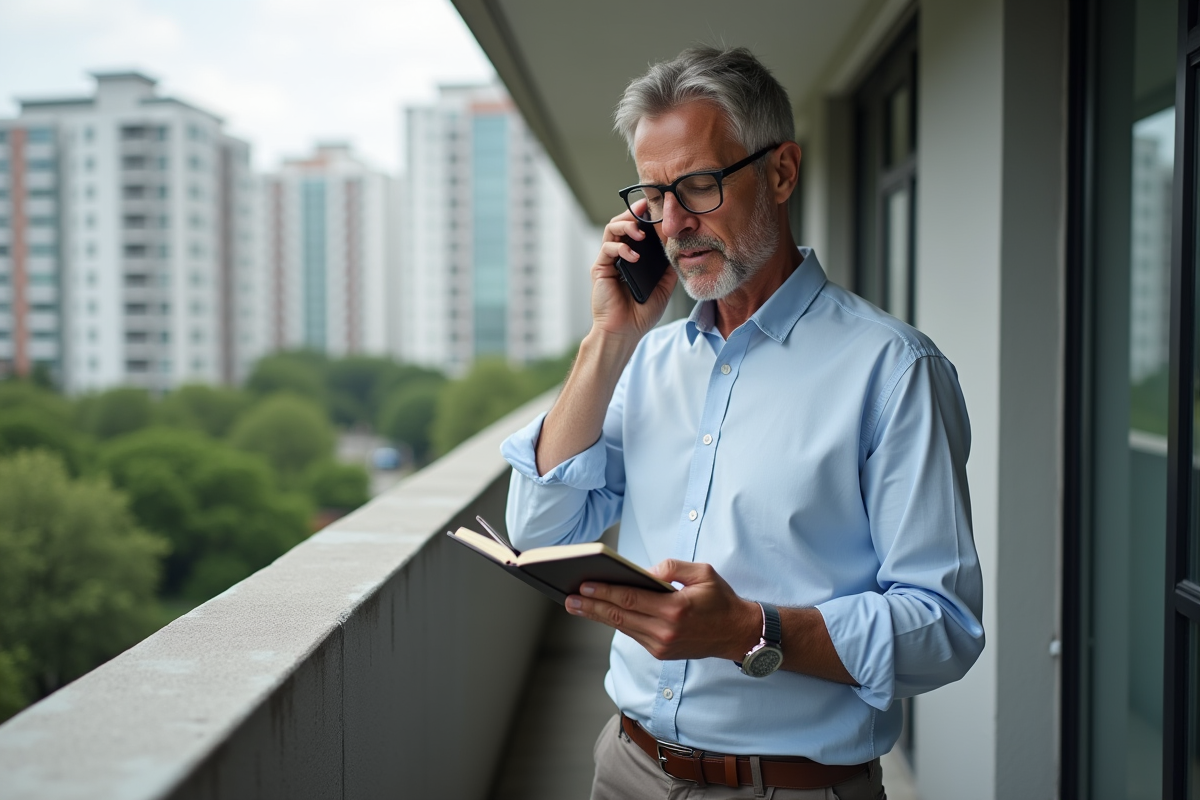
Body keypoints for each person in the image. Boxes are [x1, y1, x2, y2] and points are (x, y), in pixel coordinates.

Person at [500, 46, 984, 800]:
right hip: (623, 768)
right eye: (654, 197)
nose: (674, 224)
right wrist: (610, 339)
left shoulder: (893, 372)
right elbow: (539, 534)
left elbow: (943, 628)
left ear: (781, 172)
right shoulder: (648, 364)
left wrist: (750, 631)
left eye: (697, 185)